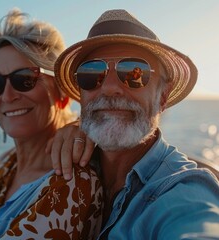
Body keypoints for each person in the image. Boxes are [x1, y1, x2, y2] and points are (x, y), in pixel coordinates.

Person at [51, 9, 219, 239]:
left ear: (163, 97)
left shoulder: (184, 192)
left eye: (132, 72)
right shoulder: (69, 163)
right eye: (91, 74)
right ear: (81, 93)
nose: (109, 87)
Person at [0, 9, 103, 240]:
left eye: (24, 79)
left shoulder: (71, 182)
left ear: (62, 93)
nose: (7, 96)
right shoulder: (5, 164)